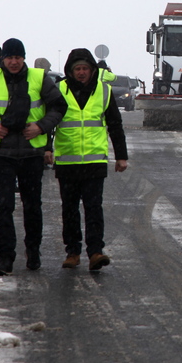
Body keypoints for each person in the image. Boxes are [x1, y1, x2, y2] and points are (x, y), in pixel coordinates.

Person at [0, 38, 67, 276]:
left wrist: (41, 127)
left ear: (24, 58)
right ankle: (5, 257)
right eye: (10, 58)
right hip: (2, 153)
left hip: (32, 153)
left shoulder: (39, 78)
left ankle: (33, 252)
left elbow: (58, 107)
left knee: (32, 206)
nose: (13, 62)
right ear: (3, 59)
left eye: (17, 58)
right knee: (4, 205)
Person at [45, 48, 128, 271]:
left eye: (85, 69)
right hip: (67, 161)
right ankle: (72, 253)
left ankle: (95, 252)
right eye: (77, 69)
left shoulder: (104, 91)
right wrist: (46, 148)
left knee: (93, 208)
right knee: (69, 209)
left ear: (92, 70)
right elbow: (48, 121)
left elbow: (115, 125)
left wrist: (121, 156)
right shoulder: (58, 90)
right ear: (70, 71)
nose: (81, 73)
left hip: (94, 161)